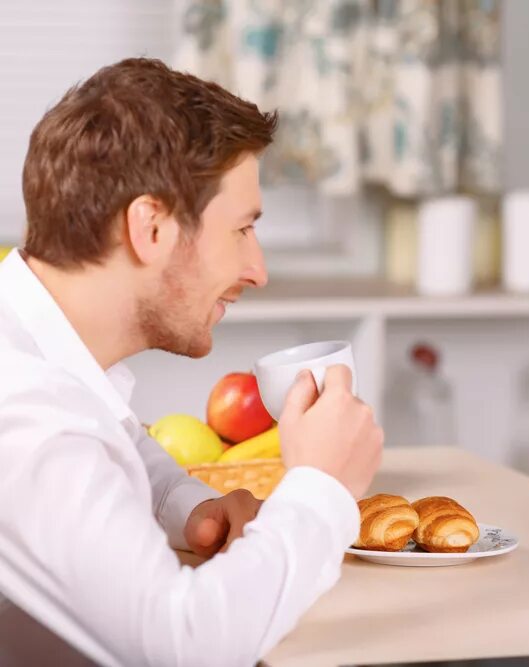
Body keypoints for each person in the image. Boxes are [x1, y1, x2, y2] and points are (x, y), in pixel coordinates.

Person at [0, 58, 383, 666]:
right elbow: (184, 646)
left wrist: (191, 508)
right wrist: (323, 489)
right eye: (241, 230)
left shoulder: (31, 352)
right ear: (151, 228)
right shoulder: (29, 415)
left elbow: (113, 442)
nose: (257, 270)